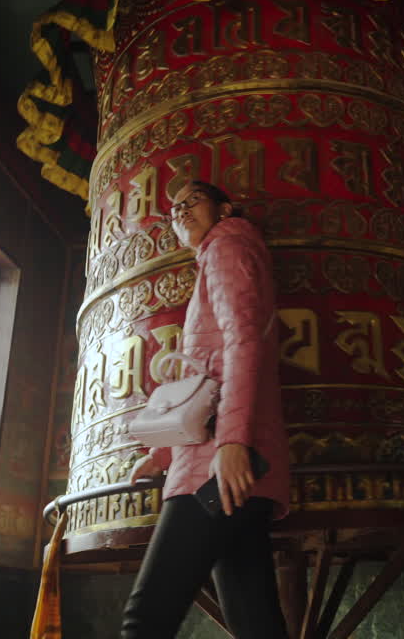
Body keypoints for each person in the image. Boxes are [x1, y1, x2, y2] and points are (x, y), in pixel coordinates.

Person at [120, 180, 290, 639]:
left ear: (225, 209)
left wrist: (232, 443)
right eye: (174, 209)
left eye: (193, 200)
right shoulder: (223, 253)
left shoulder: (226, 246)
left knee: (145, 620)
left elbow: (243, 342)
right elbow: (209, 374)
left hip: (218, 466)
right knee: (256, 625)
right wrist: (162, 455)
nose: (180, 211)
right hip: (231, 463)